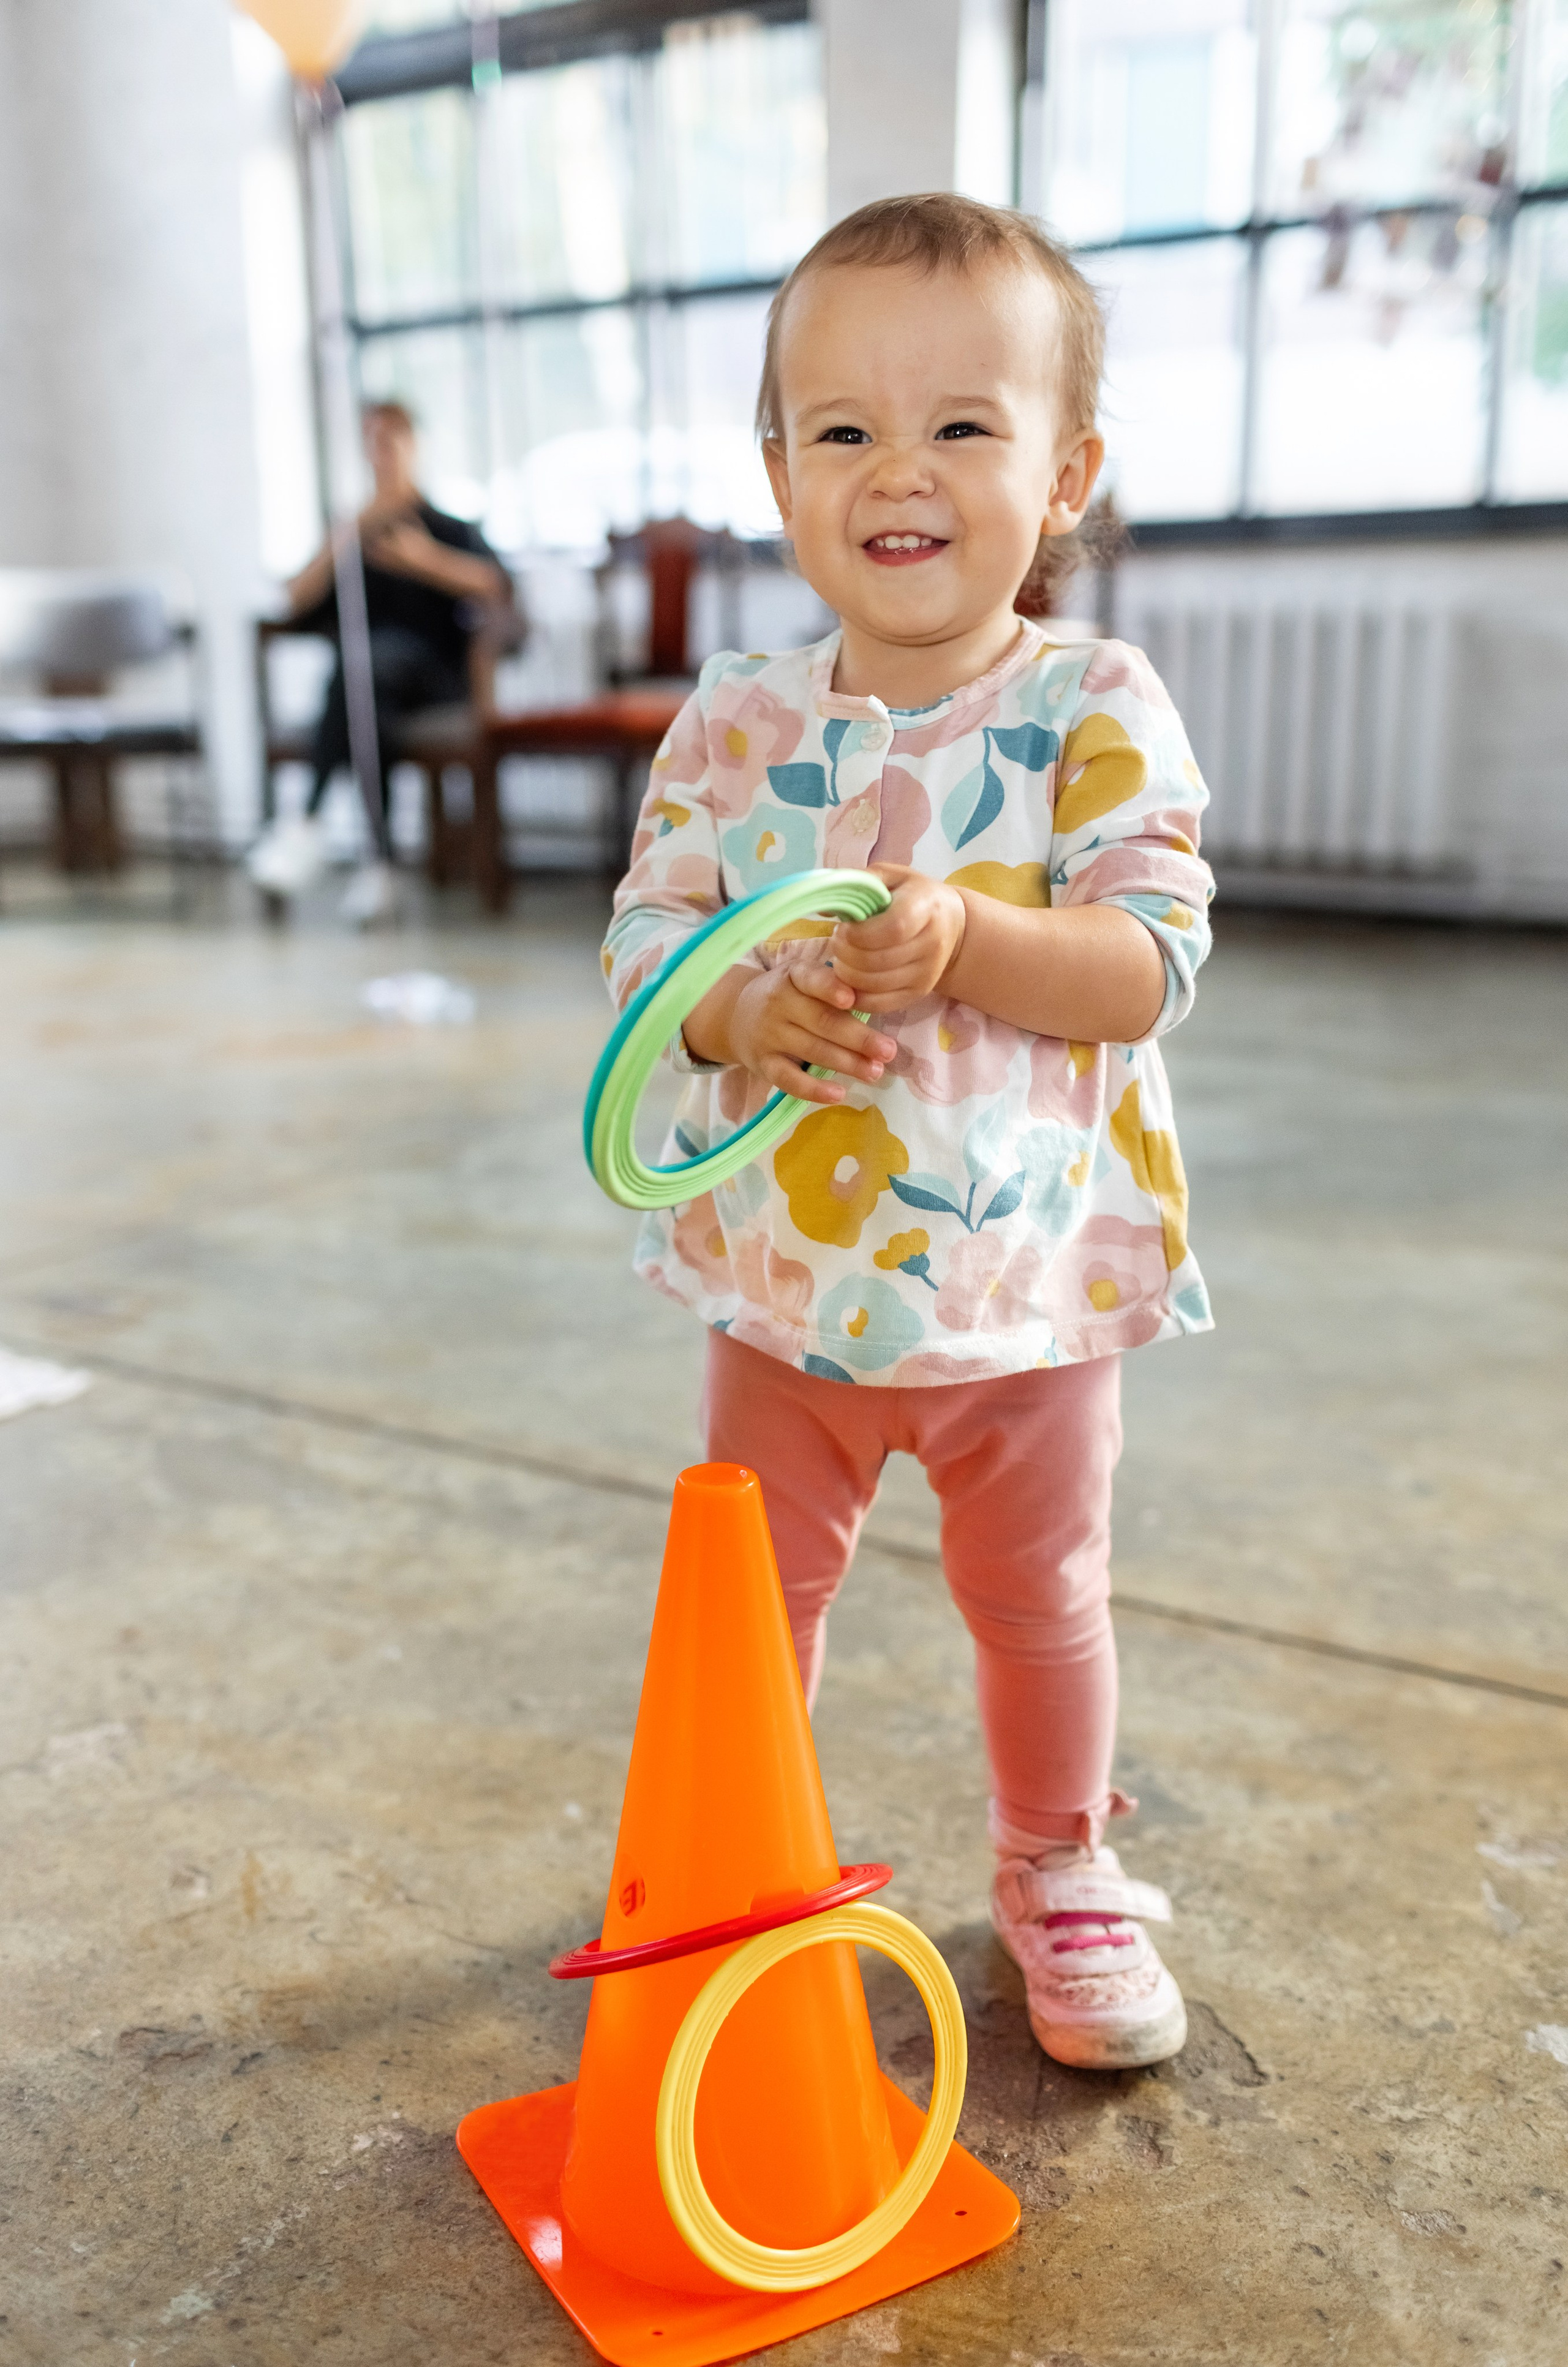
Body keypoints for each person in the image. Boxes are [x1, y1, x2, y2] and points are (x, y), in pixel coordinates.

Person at [601, 194, 1215, 2071]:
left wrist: (967, 936)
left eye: (963, 424)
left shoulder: (1086, 703)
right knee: (747, 1605)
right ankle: (742, 1863)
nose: (902, 470)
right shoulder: (731, 719)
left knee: (1037, 1598)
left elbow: (1146, 960)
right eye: (845, 426)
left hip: (1019, 1283)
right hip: (779, 1287)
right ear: (779, 468)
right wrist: (730, 1004)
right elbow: (645, 943)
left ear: (1064, 472)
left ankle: (1056, 1863)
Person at [249, 400, 511, 925]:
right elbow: (294, 600)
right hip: (368, 682)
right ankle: (380, 865)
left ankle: (311, 822)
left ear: (414, 446)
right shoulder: (353, 534)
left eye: (391, 440)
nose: (381, 453)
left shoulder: (444, 525)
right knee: (364, 691)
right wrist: (344, 537)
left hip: (436, 677)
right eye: (371, 442)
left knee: (356, 677)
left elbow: (496, 584)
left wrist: (424, 561)